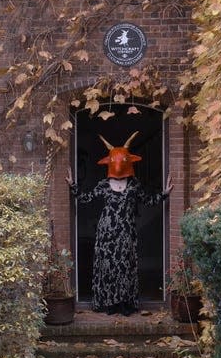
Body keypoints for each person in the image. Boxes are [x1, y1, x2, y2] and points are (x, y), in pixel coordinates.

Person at [66, 131, 173, 316]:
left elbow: (148, 200)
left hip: (127, 232)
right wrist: (72, 185)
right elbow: (85, 198)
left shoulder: (134, 184)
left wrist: (165, 192)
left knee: (126, 268)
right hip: (106, 233)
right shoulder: (103, 184)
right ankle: (109, 303)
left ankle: (125, 304)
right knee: (108, 267)